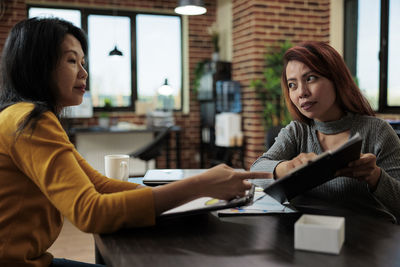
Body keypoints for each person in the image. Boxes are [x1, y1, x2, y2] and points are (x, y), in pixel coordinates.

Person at [0, 18, 271, 267]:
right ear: (38, 64)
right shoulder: (31, 121)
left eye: (83, 62)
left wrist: (191, 193)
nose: (84, 73)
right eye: (72, 61)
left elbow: (100, 185)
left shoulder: (21, 116)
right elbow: (90, 212)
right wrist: (200, 186)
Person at [251, 41, 400, 223]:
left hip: (367, 241)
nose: (301, 93)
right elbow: (256, 172)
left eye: (311, 78)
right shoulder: (297, 131)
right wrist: (287, 167)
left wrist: (375, 176)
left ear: (336, 79)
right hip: (307, 235)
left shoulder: (378, 131)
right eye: (292, 85)